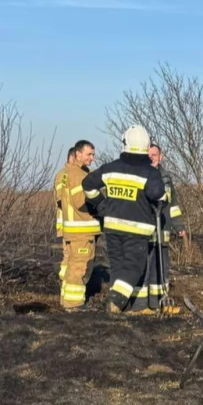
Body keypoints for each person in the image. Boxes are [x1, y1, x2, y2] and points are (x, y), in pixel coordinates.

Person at [82, 125, 167, 315]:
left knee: (118, 267)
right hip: (137, 229)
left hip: (112, 227)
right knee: (134, 267)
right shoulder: (149, 172)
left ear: (125, 143)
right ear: (145, 146)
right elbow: (157, 194)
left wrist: (101, 205)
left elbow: (87, 184)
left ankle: (122, 307)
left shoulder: (111, 168)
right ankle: (115, 302)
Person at [52, 140, 100, 311]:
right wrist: (101, 205)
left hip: (69, 229)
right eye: (89, 154)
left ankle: (66, 299)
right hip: (81, 230)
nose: (92, 158)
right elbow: (82, 202)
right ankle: (73, 304)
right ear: (77, 154)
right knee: (79, 266)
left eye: (93, 155)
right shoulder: (80, 176)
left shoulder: (63, 175)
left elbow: (60, 201)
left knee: (70, 264)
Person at [145, 143, 185, 314]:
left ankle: (161, 301)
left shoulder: (166, 178)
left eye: (154, 154)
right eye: (149, 154)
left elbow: (173, 205)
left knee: (162, 267)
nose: (152, 157)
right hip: (145, 231)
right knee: (146, 266)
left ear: (161, 157)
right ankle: (145, 304)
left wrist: (179, 226)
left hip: (163, 230)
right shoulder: (141, 175)